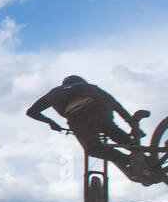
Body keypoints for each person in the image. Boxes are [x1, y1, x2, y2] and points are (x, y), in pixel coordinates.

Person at [25, 75, 158, 184]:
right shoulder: (90, 87)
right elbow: (116, 105)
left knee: (94, 149)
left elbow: (31, 112)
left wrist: (51, 123)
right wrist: (131, 123)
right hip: (101, 109)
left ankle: (129, 161)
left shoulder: (55, 92)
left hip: (78, 117)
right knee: (114, 132)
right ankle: (143, 159)